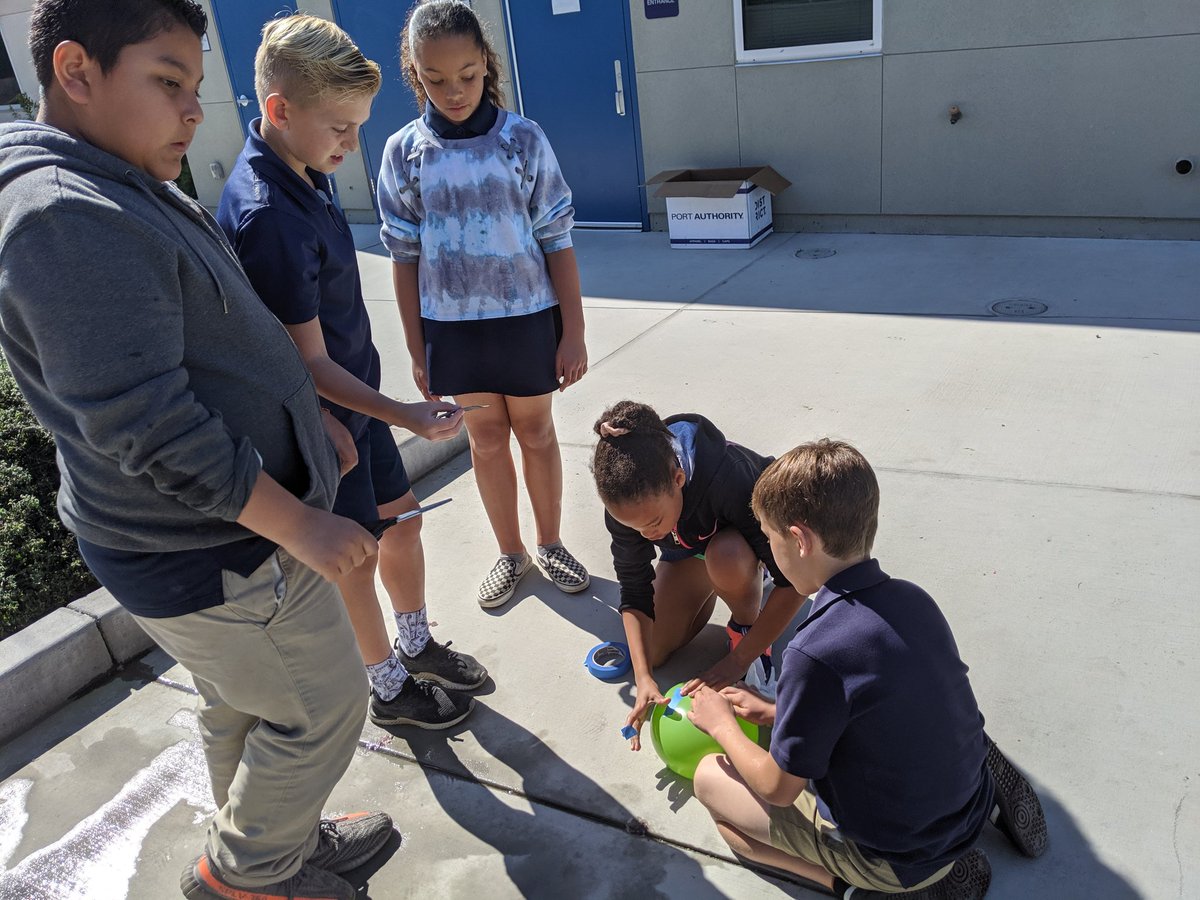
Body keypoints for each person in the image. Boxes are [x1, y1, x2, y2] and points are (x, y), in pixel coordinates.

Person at [0, 2, 392, 898]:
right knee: (322, 711)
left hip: (218, 537)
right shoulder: (66, 216)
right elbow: (148, 423)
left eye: (196, 85)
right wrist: (303, 525)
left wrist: (305, 421)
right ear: (77, 70)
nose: (192, 110)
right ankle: (245, 878)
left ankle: (275, 840)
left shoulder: (113, 175)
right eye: (168, 82)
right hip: (217, 549)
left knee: (247, 705)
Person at [217, 13, 484, 731]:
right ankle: (387, 685)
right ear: (280, 110)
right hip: (327, 423)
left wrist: (381, 411)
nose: (351, 142)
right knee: (357, 557)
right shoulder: (269, 215)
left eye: (359, 126)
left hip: (357, 406)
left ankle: (417, 643)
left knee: (402, 525)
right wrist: (405, 414)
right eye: (340, 126)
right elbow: (305, 361)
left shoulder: (306, 166)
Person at [687, 439, 1048, 899]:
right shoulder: (915, 599)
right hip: (966, 810)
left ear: (799, 540)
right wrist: (779, 712)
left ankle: (860, 888)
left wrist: (722, 725)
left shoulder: (812, 651)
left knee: (714, 791)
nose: (770, 554)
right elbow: (868, 696)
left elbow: (777, 787)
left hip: (894, 858)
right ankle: (968, 801)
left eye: (770, 539)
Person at [377, 0, 590, 610]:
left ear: (486, 64)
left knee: (536, 431)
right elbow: (404, 257)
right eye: (435, 78)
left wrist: (572, 331)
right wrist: (417, 348)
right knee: (487, 440)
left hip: (527, 320)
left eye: (467, 75)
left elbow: (556, 238)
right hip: (452, 329)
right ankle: (510, 552)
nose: (454, 91)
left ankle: (550, 543)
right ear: (415, 73)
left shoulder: (522, 140)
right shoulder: (404, 152)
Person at [590, 400, 806, 749]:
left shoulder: (729, 475)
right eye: (634, 527)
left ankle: (747, 619)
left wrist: (738, 660)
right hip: (691, 546)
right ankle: (725, 578)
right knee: (653, 650)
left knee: (727, 557)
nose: (646, 535)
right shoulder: (628, 502)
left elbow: (794, 583)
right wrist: (643, 677)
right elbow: (633, 590)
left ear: (678, 479)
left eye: (652, 523)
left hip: (746, 541)